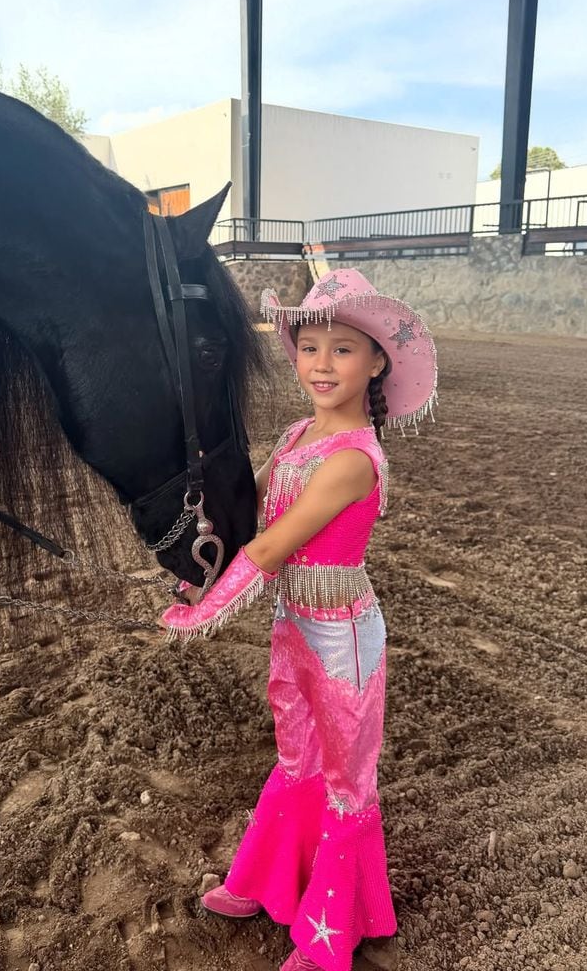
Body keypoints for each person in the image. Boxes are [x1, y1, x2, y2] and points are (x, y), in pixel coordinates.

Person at [161, 268, 437, 971]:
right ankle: (260, 882)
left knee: (346, 780)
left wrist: (209, 610)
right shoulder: (293, 436)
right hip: (293, 621)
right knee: (295, 757)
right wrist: (195, 553)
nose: (321, 363)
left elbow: (273, 545)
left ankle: (329, 933)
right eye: (309, 346)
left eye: (342, 349)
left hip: (341, 636)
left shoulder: (351, 460)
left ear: (375, 362)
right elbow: (247, 516)